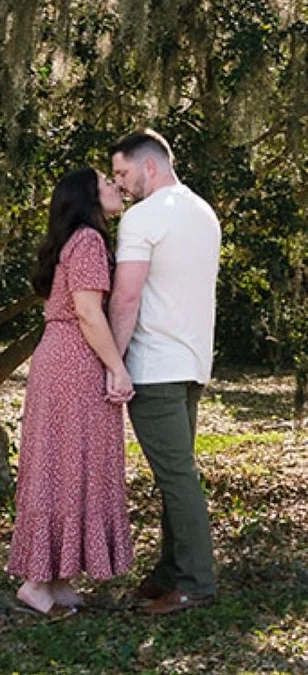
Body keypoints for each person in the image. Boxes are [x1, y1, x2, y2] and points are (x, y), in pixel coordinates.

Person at [6, 167, 135, 618]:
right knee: (67, 461)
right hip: (74, 362)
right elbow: (86, 311)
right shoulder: (89, 241)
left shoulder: (76, 240)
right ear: (88, 197)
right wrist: (117, 369)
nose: (116, 187)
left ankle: (55, 576)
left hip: (60, 357)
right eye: (106, 182)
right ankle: (36, 584)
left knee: (67, 462)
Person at [108, 128, 222, 614]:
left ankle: (195, 582)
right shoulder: (202, 211)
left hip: (155, 365)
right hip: (193, 362)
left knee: (176, 476)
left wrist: (112, 362)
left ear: (149, 166)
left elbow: (127, 296)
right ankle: (171, 571)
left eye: (123, 172)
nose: (120, 183)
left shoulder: (143, 218)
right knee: (177, 473)